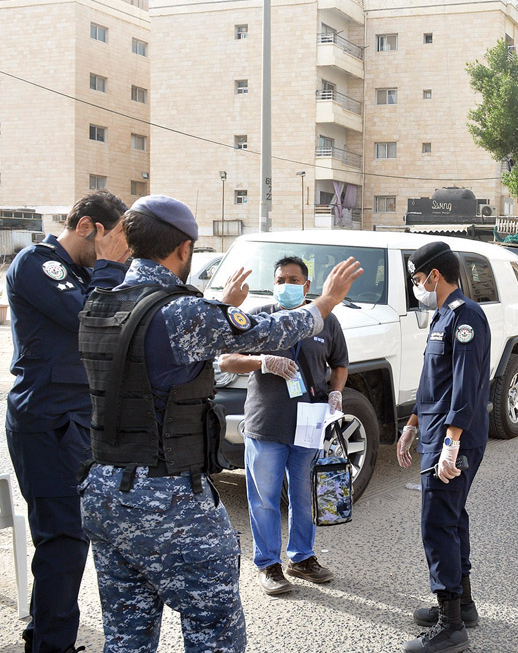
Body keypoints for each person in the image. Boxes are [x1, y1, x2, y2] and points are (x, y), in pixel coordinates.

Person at [76, 195, 362, 653]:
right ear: (184, 249)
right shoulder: (182, 311)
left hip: (105, 494)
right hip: (167, 499)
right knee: (214, 633)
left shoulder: (98, 303)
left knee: (127, 636)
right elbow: (267, 331)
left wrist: (222, 306)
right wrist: (326, 300)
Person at [5, 189, 130, 653]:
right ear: (85, 227)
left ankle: (44, 637)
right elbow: (90, 320)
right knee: (64, 539)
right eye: (113, 240)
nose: (118, 252)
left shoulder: (83, 272)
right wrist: (110, 270)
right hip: (47, 419)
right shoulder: (39, 264)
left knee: (65, 537)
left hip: (74, 420)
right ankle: (52, 645)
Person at [218, 256, 349, 596]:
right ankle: (268, 565)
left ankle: (302, 558)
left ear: (307, 285)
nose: (285, 285)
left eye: (293, 279)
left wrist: (336, 393)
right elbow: (226, 358)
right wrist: (262, 361)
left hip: (308, 423)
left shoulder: (325, 320)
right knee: (264, 497)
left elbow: (339, 364)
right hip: (267, 422)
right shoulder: (259, 317)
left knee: (303, 495)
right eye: (280, 279)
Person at [397, 241, 491, 653]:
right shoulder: (442, 317)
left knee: (437, 523)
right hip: (437, 431)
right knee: (452, 517)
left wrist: (450, 442)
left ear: (435, 275)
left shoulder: (465, 317)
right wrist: (413, 424)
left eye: (418, 279)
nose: (418, 286)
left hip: (455, 437)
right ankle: (462, 604)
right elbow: (433, 381)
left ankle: (451, 628)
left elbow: (468, 383)